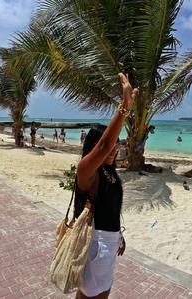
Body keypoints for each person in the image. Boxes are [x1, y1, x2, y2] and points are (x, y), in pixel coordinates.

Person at [73, 73, 136, 299]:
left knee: (100, 293)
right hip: (93, 244)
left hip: (108, 242)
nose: (113, 151)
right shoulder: (86, 171)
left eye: (116, 147)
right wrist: (124, 107)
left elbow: (110, 206)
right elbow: (103, 146)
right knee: (91, 295)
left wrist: (118, 235)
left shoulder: (109, 171)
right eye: (110, 147)